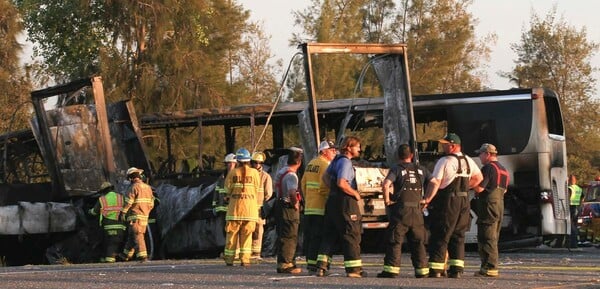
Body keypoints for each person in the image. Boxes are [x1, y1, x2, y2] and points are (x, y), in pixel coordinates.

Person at [421, 133, 483, 278]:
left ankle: (436, 269)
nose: (442, 146)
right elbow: (479, 178)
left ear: (453, 146)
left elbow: (435, 182)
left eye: (445, 144)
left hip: (448, 202)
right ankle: (456, 270)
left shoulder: (445, 161)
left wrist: (427, 199)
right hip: (463, 202)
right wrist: (465, 188)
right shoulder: (468, 160)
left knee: (441, 234)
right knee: (458, 235)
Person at [377, 144, 432, 278]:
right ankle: (422, 271)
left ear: (398, 156)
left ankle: (391, 271)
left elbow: (386, 184)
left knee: (395, 240)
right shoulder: (421, 169)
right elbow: (434, 181)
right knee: (418, 241)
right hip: (417, 210)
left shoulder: (397, 169)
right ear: (412, 155)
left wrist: (387, 201)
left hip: (401, 210)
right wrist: (427, 199)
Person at [315, 136, 366, 278]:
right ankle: (354, 270)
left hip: (332, 201)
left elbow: (325, 178)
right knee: (351, 234)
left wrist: (333, 190)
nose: (359, 149)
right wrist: (355, 193)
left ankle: (321, 267)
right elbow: (342, 183)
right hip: (345, 202)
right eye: (357, 147)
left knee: (329, 235)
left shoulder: (335, 160)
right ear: (349, 148)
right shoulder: (345, 162)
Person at [472, 143, 509, 277]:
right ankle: (489, 266)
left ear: (487, 154)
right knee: (494, 236)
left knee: (486, 236)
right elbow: (505, 190)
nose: (479, 157)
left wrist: (468, 184)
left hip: (488, 205)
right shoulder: (503, 169)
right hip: (499, 204)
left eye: (480, 154)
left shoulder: (488, 168)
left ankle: (489, 267)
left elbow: (480, 188)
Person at [301, 140, 337, 273]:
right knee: (321, 237)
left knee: (312, 238)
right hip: (321, 206)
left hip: (310, 207)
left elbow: (303, 184)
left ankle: (310, 264)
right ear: (323, 151)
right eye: (331, 150)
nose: (334, 152)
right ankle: (318, 265)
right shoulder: (325, 165)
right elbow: (326, 185)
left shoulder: (310, 164)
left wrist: (307, 200)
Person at [222, 148, 260, 266]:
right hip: (250, 211)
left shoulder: (232, 173)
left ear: (237, 160)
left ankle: (229, 259)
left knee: (231, 237)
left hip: (235, 211)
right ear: (249, 160)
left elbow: (227, 191)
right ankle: (245, 260)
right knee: (247, 237)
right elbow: (257, 189)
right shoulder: (255, 173)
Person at [274, 149, 303, 274]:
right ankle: (287, 264)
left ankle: (282, 262)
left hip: (279, 205)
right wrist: (295, 204)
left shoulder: (281, 171)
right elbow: (292, 193)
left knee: (282, 235)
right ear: (299, 163)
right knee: (290, 235)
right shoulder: (292, 175)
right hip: (288, 207)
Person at [119, 167, 155, 262]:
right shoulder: (148, 187)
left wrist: (123, 212)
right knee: (132, 236)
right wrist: (145, 212)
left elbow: (128, 202)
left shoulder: (133, 187)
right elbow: (151, 204)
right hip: (144, 216)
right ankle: (125, 255)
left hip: (135, 216)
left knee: (138, 236)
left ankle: (143, 256)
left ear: (131, 178)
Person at [88, 181, 127, 263]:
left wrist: (88, 211)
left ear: (103, 191)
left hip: (108, 227)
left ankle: (108, 264)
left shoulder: (102, 199)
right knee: (117, 244)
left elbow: (94, 212)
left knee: (109, 246)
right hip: (121, 226)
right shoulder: (121, 197)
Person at [251, 151, 273, 259]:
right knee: (248, 230)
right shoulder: (249, 174)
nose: (256, 165)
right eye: (254, 162)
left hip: (259, 209)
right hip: (248, 208)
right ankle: (247, 252)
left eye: (258, 163)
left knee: (258, 231)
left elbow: (268, 194)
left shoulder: (266, 177)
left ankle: (256, 253)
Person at [568, 174, 584, 247]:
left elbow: (568, 198)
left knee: (571, 226)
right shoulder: (579, 189)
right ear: (575, 180)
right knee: (575, 225)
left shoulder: (569, 188)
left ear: (569, 180)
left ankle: (573, 243)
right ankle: (575, 242)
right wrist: (580, 207)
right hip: (577, 208)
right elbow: (582, 199)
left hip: (571, 207)